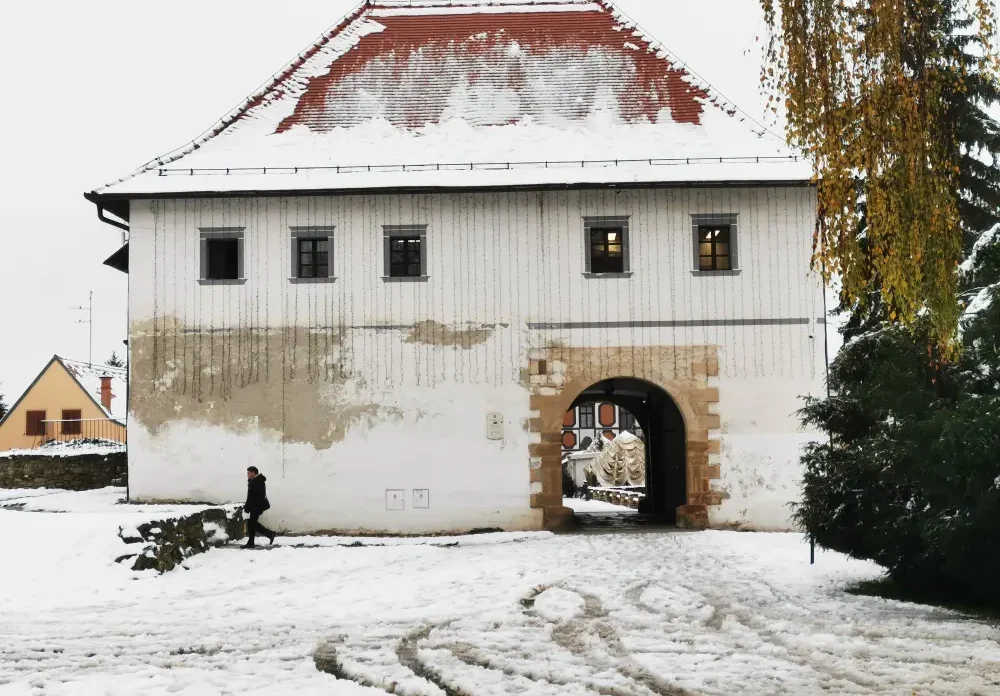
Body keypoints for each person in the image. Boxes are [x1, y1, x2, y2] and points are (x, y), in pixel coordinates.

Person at [243, 466, 276, 548]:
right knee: (252, 524)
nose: (247, 475)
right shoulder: (255, 481)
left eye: (249, 473)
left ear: (253, 472)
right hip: (255, 506)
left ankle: (252, 542)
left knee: (251, 524)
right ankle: (269, 534)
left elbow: (253, 496)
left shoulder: (258, 481)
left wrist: (247, 507)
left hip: (256, 506)